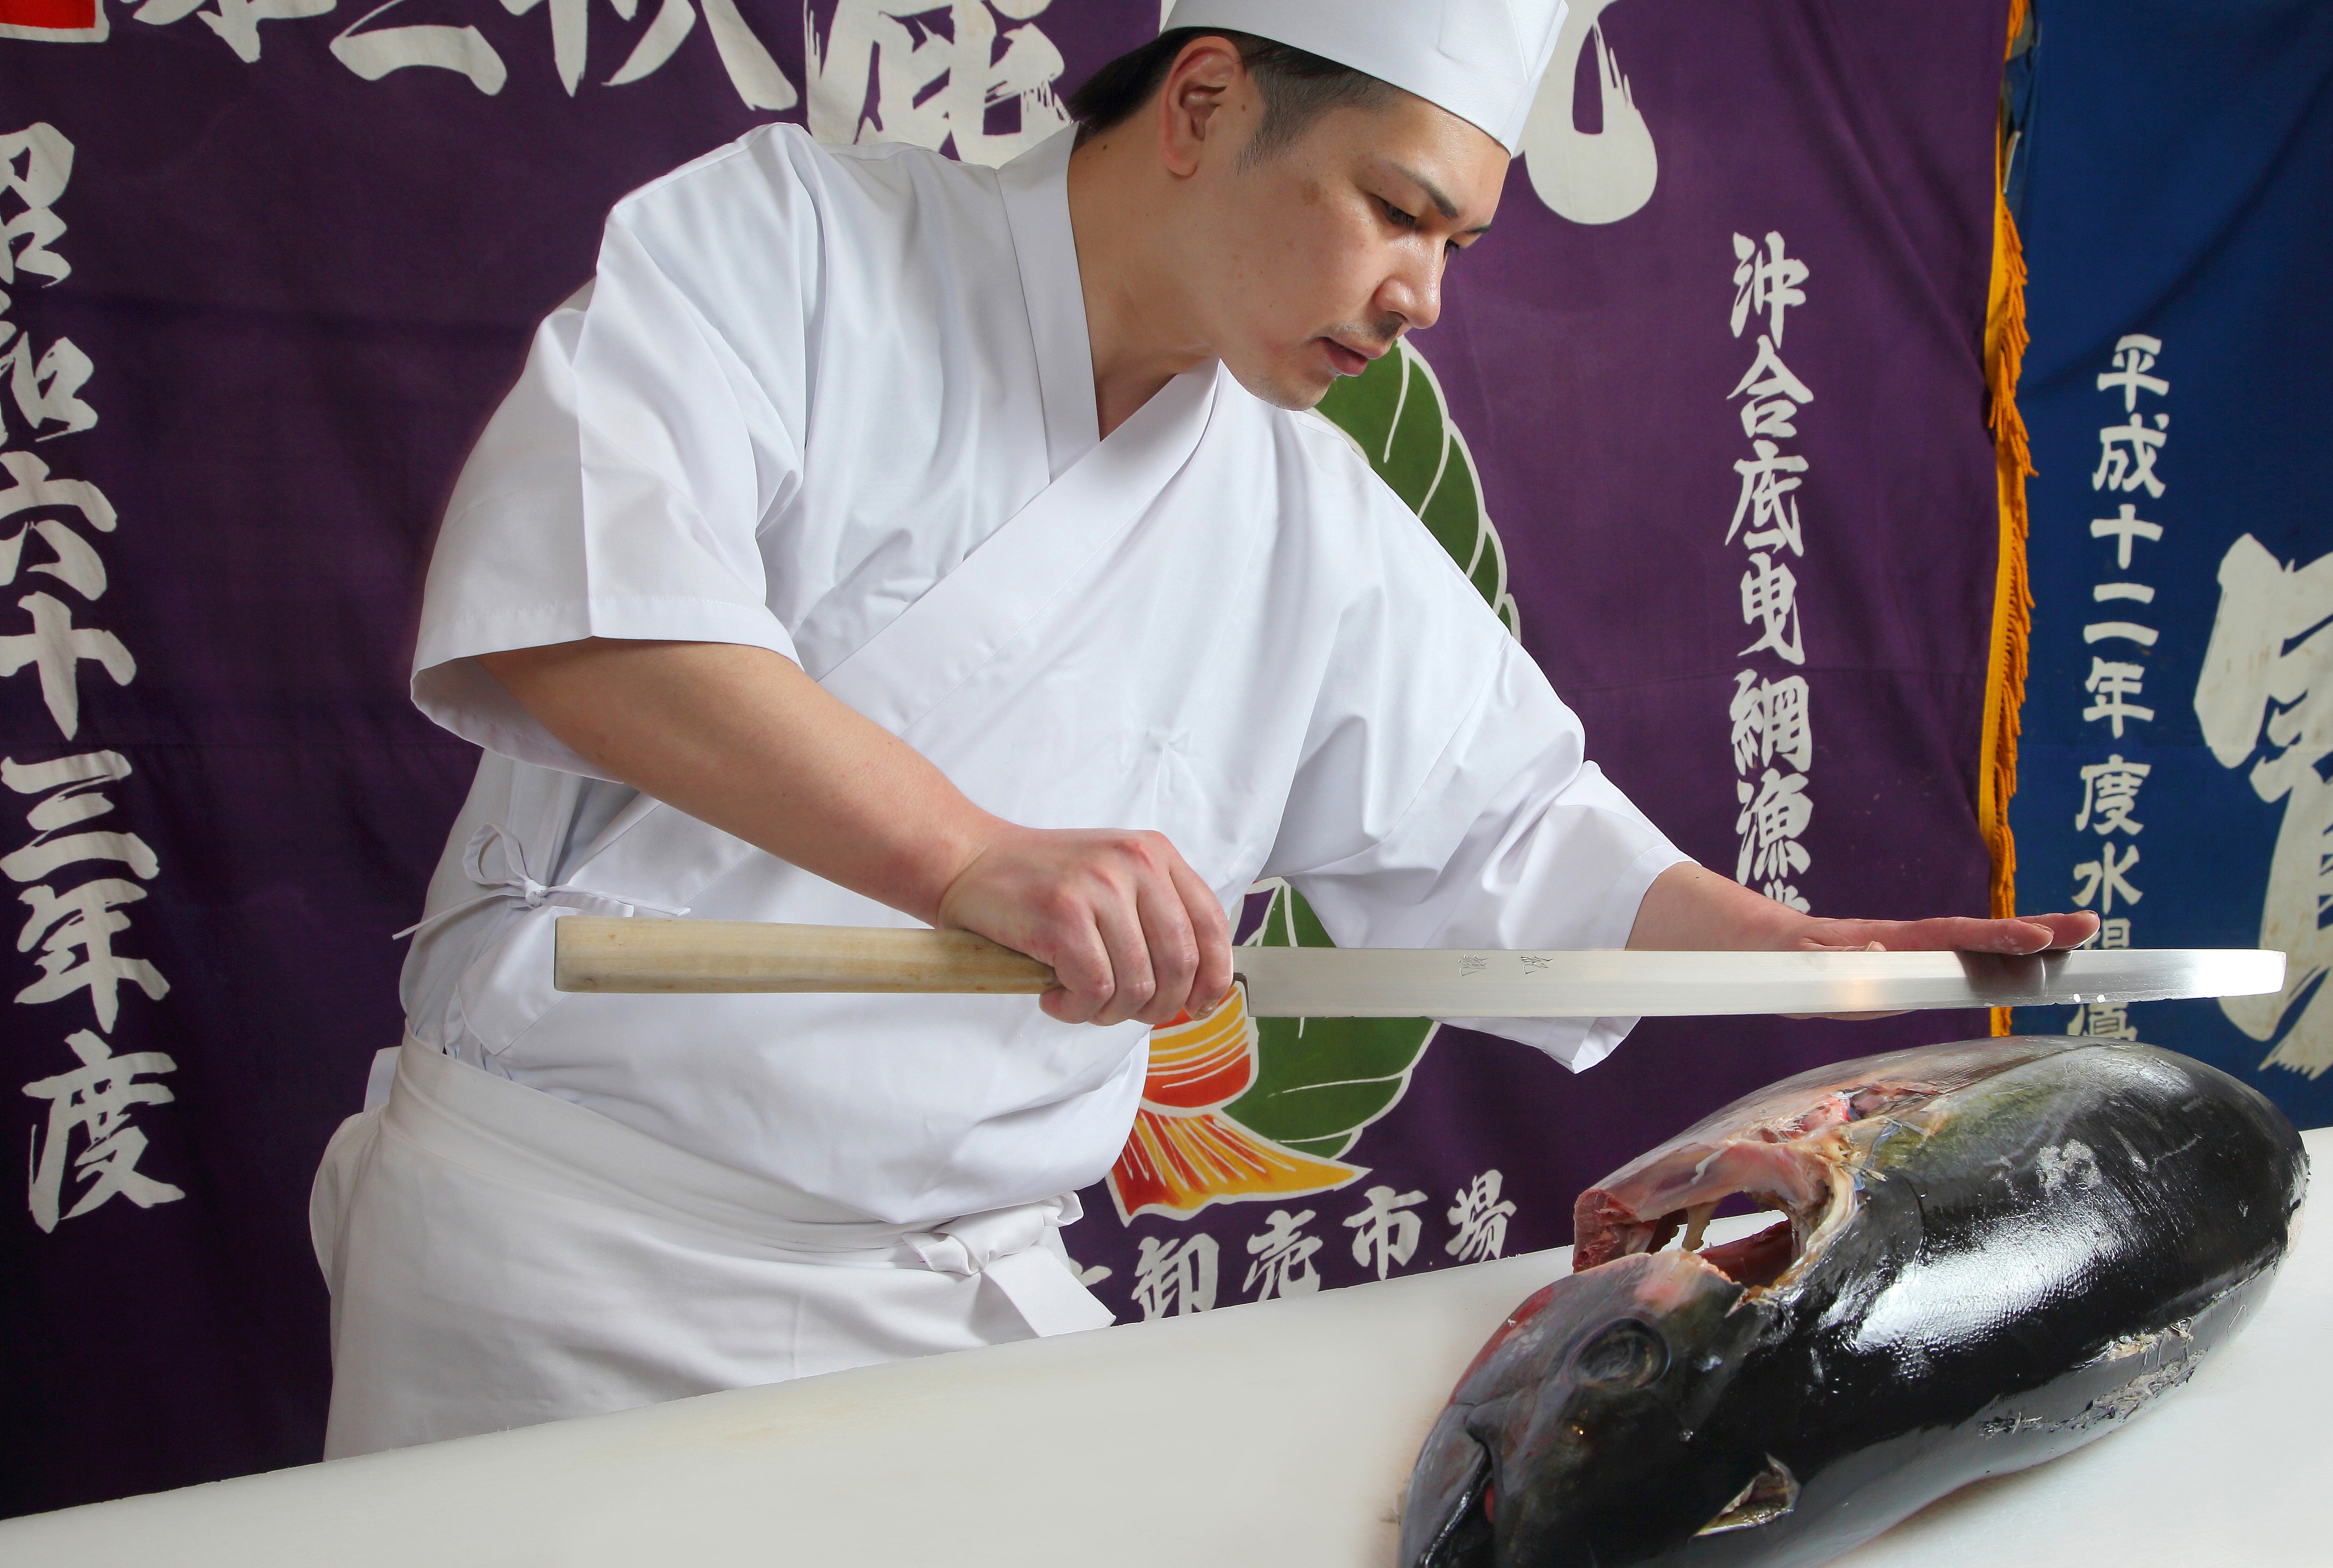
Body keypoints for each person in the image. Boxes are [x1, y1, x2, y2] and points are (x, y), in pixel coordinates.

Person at [310, 0, 2097, 1458]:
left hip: (948, 1320)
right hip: (574, 1277)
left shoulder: (1299, 513)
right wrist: (971, 859)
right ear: (1205, 102)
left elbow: (1518, 842)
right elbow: (595, 621)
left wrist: (1804, 958)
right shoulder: (790, 247)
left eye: (1456, 242)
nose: (1424, 297)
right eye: (1397, 212)